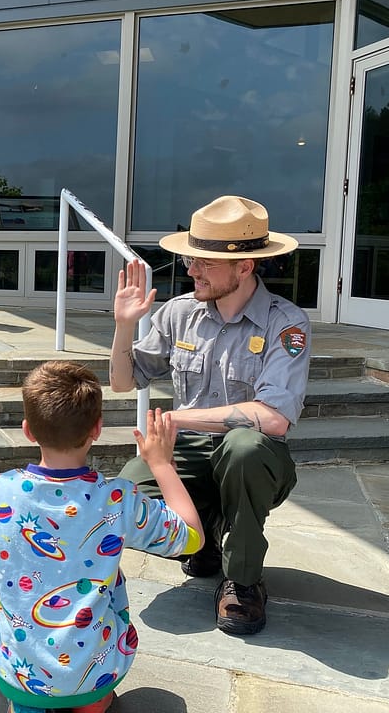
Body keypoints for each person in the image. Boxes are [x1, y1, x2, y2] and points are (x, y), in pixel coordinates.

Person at [109, 195, 310, 636]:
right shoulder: (180, 313)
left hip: (254, 459)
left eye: (204, 263)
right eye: (190, 258)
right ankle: (201, 533)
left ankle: (242, 580)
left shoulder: (286, 324)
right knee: (126, 494)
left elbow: (274, 419)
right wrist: (124, 324)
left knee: (244, 446)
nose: (190, 270)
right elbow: (125, 381)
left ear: (245, 267)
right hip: (193, 452)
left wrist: (179, 420)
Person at [0, 361, 204, 713]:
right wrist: (162, 464)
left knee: (26, 698)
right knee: (94, 693)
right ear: (97, 429)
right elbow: (191, 538)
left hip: (20, 672)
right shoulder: (117, 500)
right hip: (93, 672)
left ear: (28, 430)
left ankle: (29, 706)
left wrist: (10, 608)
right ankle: (92, 702)